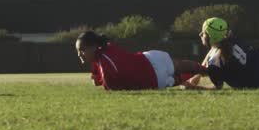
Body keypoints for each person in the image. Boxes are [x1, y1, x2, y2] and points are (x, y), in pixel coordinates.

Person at [187, 17, 259, 89]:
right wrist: (196, 76)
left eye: (203, 33)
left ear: (211, 37)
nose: (200, 34)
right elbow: (212, 52)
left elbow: (217, 87)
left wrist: (193, 87)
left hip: (255, 78)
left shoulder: (214, 63)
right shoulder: (228, 40)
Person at [75, 31, 205, 90]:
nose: (79, 54)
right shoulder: (103, 54)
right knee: (182, 70)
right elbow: (96, 79)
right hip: (152, 75)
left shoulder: (105, 58)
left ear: (93, 47)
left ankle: (209, 70)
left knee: (181, 68)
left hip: (151, 68)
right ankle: (207, 71)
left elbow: (110, 84)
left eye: (82, 49)